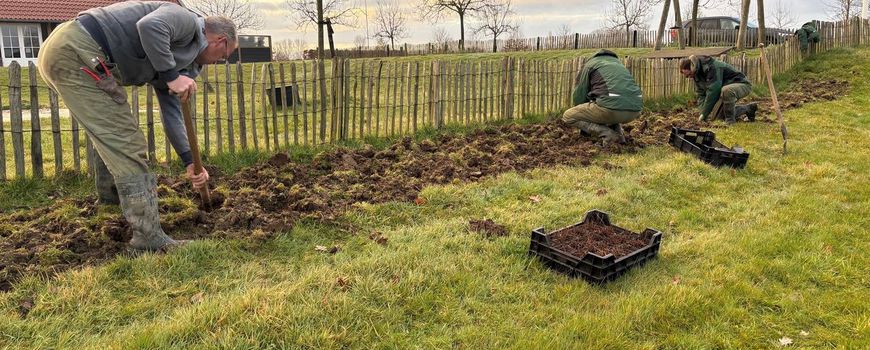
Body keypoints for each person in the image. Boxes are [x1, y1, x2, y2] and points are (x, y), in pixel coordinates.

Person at [37, 1, 238, 252]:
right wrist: (173, 77)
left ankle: (110, 204)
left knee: (111, 133)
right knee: (126, 141)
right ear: (220, 40)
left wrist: (189, 160)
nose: (218, 62)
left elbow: (172, 111)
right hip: (78, 50)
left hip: (77, 53)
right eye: (224, 56)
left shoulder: (181, 60)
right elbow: (150, 25)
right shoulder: (185, 21)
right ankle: (148, 239)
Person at [561, 50, 643, 144]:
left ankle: (608, 135)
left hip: (611, 110)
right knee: (611, 102)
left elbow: (580, 93)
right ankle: (619, 136)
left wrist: (584, 115)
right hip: (635, 110)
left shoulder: (590, 64)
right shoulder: (619, 64)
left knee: (568, 115)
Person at [679, 55, 757, 125]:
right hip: (723, 90)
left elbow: (713, 91)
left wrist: (705, 113)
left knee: (726, 90)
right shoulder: (697, 74)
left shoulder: (712, 67)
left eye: (689, 75)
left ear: (692, 67)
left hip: (741, 84)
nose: (689, 77)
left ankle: (730, 121)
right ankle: (748, 109)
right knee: (717, 118)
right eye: (687, 76)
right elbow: (701, 95)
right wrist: (702, 113)